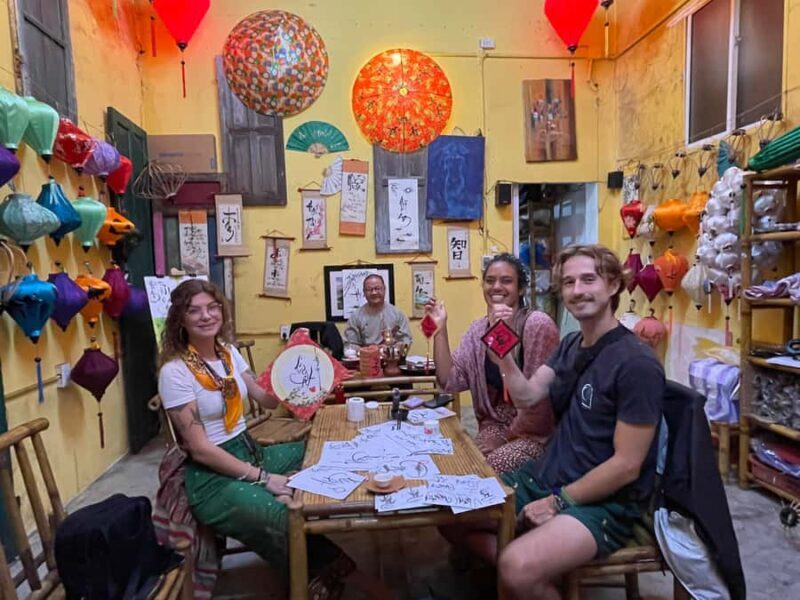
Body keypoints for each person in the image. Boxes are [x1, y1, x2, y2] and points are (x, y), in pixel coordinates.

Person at [444, 244, 665, 600]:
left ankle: (525, 569)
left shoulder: (636, 362)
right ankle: (536, 567)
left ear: (613, 285)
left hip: (604, 499)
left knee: (517, 567)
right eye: (568, 282)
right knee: (448, 513)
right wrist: (503, 355)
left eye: (589, 280)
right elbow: (527, 396)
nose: (577, 290)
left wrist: (558, 502)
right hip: (548, 474)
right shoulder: (572, 344)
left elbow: (626, 466)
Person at [157, 279, 391, 599]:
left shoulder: (228, 354)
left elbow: (266, 399)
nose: (206, 316)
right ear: (180, 319)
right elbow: (200, 449)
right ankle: (351, 584)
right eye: (194, 310)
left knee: (322, 449)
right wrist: (265, 479)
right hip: (212, 477)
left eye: (212, 307)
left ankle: (329, 546)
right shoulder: (175, 372)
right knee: (283, 517)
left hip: (250, 451)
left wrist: (302, 371)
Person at [424, 253, 560, 473]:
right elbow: (449, 380)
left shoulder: (538, 325)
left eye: (506, 281)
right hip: (495, 424)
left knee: (488, 468)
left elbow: (541, 407)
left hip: (534, 433)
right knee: (464, 460)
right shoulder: (478, 330)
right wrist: (440, 328)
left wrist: (506, 438)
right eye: (490, 280)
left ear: (520, 289)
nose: (496, 286)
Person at [343, 274, 412, 348]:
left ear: (384, 289)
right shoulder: (356, 316)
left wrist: (393, 349)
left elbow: (406, 340)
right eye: (369, 289)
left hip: (391, 354)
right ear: (364, 292)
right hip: (365, 354)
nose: (374, 292)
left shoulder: (397, 314)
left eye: (377, 288)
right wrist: (368, 351)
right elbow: (350, 344)